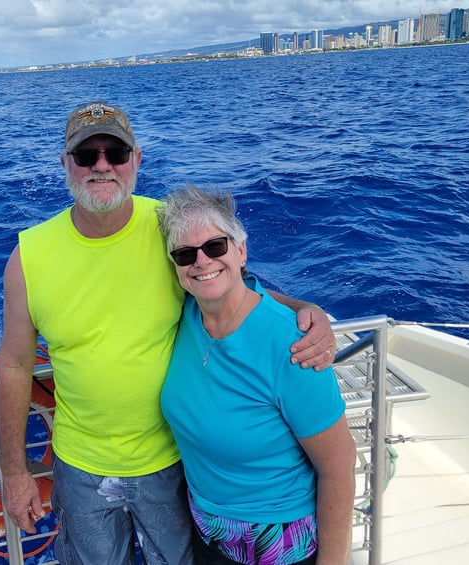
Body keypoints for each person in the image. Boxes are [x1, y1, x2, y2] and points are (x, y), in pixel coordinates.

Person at [0, 101, 337, 565]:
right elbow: (13, 364)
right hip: (81, 467)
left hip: (172, 463)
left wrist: (306, 310)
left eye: (115, 153)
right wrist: (14, 474)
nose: (101, 166)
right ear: (65, 165)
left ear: (137, 160)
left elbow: (225, 281)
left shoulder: (167, 230)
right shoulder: (28, 256)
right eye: (85, 155)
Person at [156, 185, 356, 565]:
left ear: (241, 250)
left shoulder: (292, 346)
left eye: (215, 247)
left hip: (279, 548)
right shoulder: (186, 313)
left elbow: (339, 466)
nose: (201, 261)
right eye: (185, 254)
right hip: (207, 535)